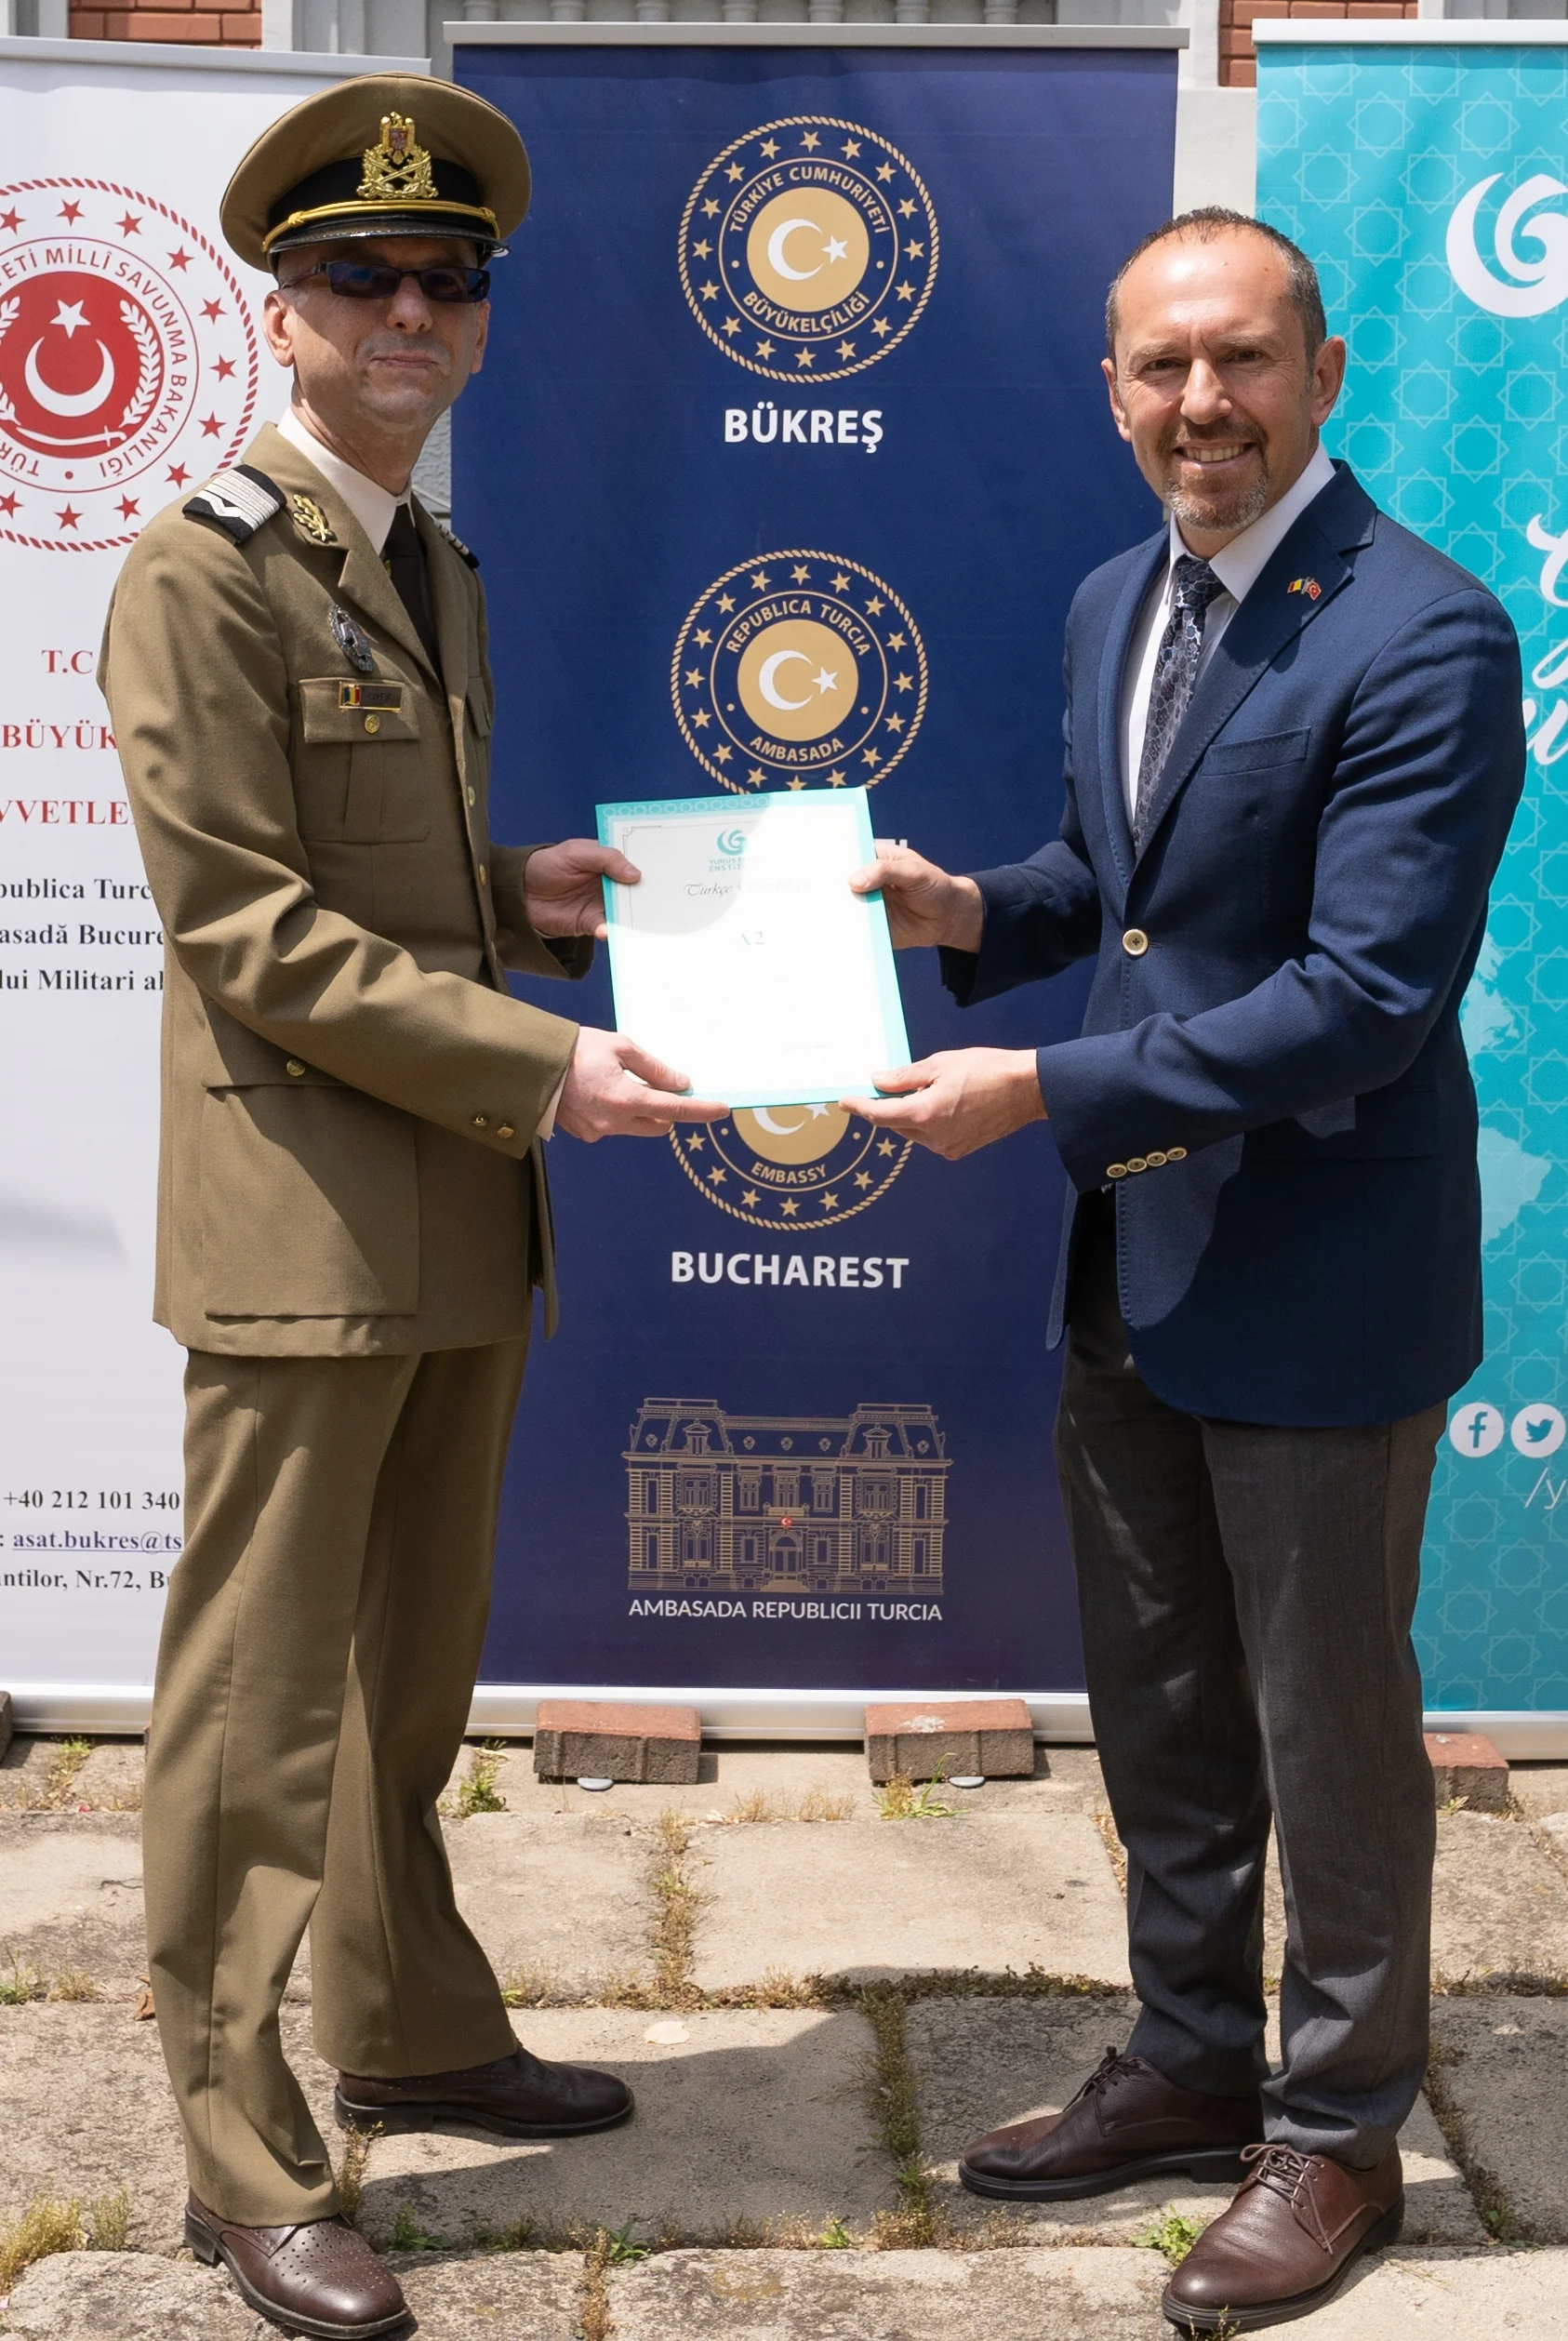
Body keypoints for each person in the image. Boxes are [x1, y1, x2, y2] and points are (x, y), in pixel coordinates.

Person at [844, 209, 1523, 2334]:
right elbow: (1126, 893)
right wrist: (967, 910)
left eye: (1240, 360)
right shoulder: (1111, 599)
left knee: (1330, 1731)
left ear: (1324, 375)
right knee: (1158, 1706)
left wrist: (1040, 1089)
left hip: (1319, 1271)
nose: (1200, 404)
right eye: (1161, 366)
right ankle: (1189, 2058)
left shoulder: (1424, 632)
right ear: (1113, 389)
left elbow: (1362, 999)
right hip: (1134, 1261)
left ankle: (1339, 2132)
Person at [100, 76, 722, 2341]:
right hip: (306, 1225)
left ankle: (411, 2023)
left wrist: (524, 896)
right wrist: (547, 1059)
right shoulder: (202, 572)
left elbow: (384, 884)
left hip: (455, 1209)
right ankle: (241, 2150)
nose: (409, 310)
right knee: (255, 1706)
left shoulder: (424, 566)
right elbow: (248, 928)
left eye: (448, 280)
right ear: (282, 308)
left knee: (406, 1675)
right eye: (360, 274)